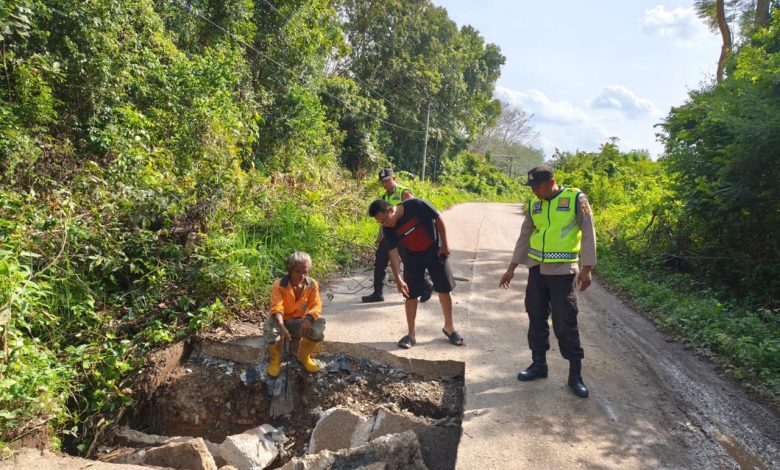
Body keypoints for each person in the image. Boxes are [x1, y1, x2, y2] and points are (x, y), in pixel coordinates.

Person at [499, 165, 596, 398]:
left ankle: (575, 375)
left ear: (551, 181)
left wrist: (587, 267)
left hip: (563, 273)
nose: (534, 191)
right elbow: (525, 236)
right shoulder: (535, 205)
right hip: (537, 270)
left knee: (565, 322)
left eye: (538, 186)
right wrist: (512, 267)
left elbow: (588, 230)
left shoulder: (575, 198)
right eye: (531, 187)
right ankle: (539, 364)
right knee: (535, 317)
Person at [368, 198, 464, 349]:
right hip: (412, 258)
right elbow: (393, 253)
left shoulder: (416, 205)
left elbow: (438, 219)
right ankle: (411, 334)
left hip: (435, 251)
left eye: (385, 219)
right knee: (411, 295)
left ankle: (449, 327)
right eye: (381, 222)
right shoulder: (388, 228)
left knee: (444, 290)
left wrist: (445, 245)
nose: (385, 224)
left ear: (391, 209)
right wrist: (398, 278)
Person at [265, 251, 326, 376]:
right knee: (270, 328)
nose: (302, 275)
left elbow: (316, 305)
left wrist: (308, 319)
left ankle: (303, 356)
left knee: (319, 323)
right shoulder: (279, 285)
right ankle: (275, 360)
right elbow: (277, 308)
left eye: (305, 271)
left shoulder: (312, 284)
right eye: (298, 271)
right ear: (290, 270)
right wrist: (282, 327)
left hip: (299, 321)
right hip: (280, 321)